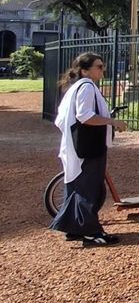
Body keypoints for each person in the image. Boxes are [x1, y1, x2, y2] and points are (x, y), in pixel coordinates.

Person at [50, 52, 128, 247]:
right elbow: (85, 116)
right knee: (89, 190)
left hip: (77, 146)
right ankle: (91, 233)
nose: (103, 70)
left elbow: (61, 119)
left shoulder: (77, 87)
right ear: (85, 70)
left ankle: (72, 228)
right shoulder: (86, 88)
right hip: (88, 148)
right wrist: (112, 121)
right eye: (99, 67)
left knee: (78, 188)